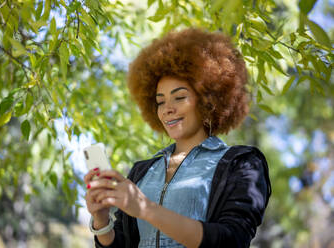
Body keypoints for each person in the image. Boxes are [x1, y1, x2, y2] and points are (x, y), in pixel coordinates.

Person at [84, 28, 271, 248]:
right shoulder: (142, 171)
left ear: (208, 100)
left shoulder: (241, 163)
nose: (167, 110)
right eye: (160, 101)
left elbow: (231, 240)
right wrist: (101, 219)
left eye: (179, 97)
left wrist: (146, 208)